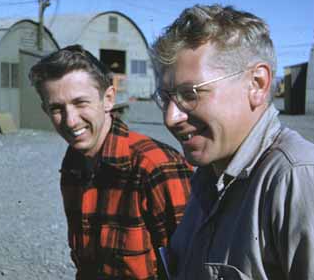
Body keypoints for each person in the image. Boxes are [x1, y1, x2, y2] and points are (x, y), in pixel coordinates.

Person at [150, 4, 314, 279]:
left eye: (190, 93)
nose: (171, 117)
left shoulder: (306, 184)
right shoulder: (209, 180)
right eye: (165, 97)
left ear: (257, 84)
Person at [29, 45, 193, 279]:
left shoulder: (155, 166)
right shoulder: (74, 162)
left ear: (108, 99)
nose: (71, 121)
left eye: (80, 103)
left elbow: (193, 264)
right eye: (57, 108)